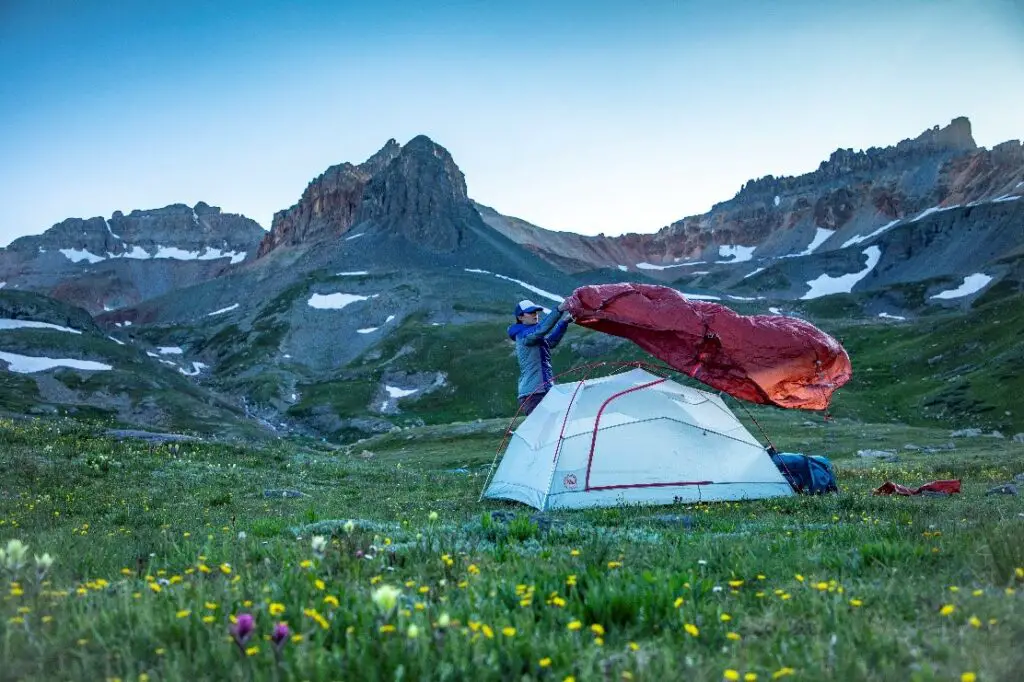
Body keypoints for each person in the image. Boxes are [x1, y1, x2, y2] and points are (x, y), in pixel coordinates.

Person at [507, 299, 573, 415]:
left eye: (536, 312)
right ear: (520, 317)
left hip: (543, 390)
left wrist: (565, 322)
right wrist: (559, 309)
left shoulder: (531, 335)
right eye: (531, 313)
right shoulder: (524, 335)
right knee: (546, 429)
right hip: (533, 394)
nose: (535, 315)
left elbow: (550, 343)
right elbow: (542, 329)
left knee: (552, 428)